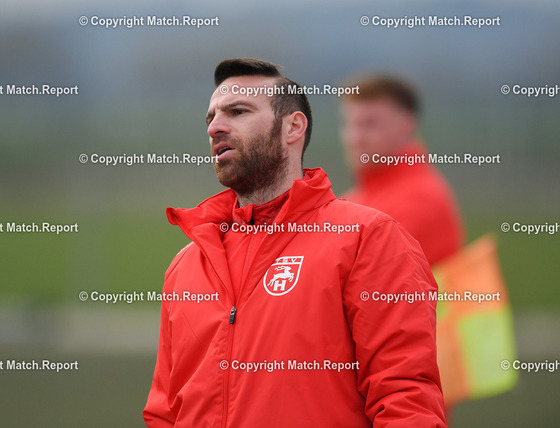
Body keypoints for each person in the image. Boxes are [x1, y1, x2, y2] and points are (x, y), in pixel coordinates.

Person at [143, 58, 446, 427]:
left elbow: (405, 398)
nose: (215, 127)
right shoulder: (186, 265)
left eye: (238, 112)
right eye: (211, 118)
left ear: (293, 127)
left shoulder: (368, 238)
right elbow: (164, 413)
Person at [339, 75, 464, 266]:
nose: (355, 138)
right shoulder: (357, 198)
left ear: (406, 125)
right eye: (350, 124)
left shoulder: (420, 200)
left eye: (370, 124)